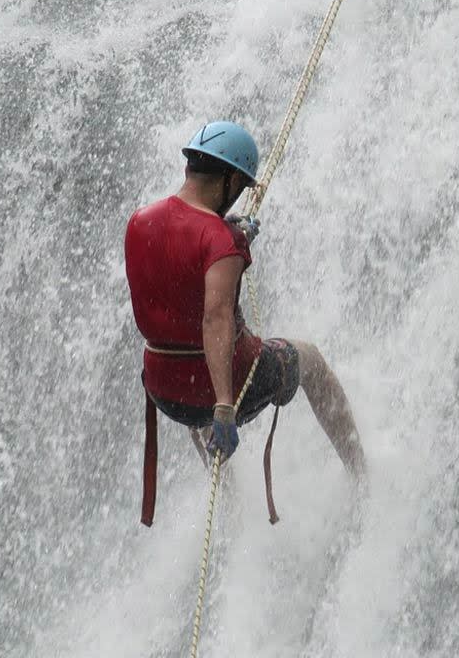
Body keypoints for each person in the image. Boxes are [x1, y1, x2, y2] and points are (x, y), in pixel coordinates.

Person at [124, 121, 366, 510]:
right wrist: (223, 404)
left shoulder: (139, 221)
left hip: (164, 389)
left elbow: (179, 274)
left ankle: (232, 507)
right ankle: (362, 480)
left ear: (190, 168)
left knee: (192, 387)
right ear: (232, 179)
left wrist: (229, 241)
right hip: (224, 388)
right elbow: (216, 317)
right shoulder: (221, 240)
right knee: (311, 360)